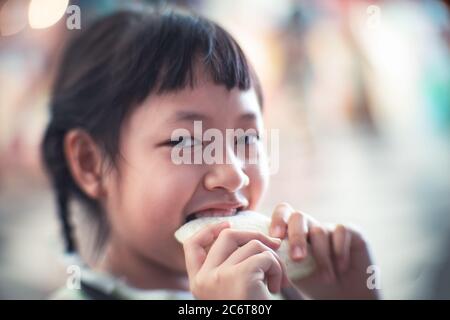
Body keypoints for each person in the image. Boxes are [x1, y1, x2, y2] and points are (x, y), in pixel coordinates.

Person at [42, 8, 379, 300]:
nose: (234, 174)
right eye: (186, 142)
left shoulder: (281, 288)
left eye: (247, 137)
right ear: (90, 163)